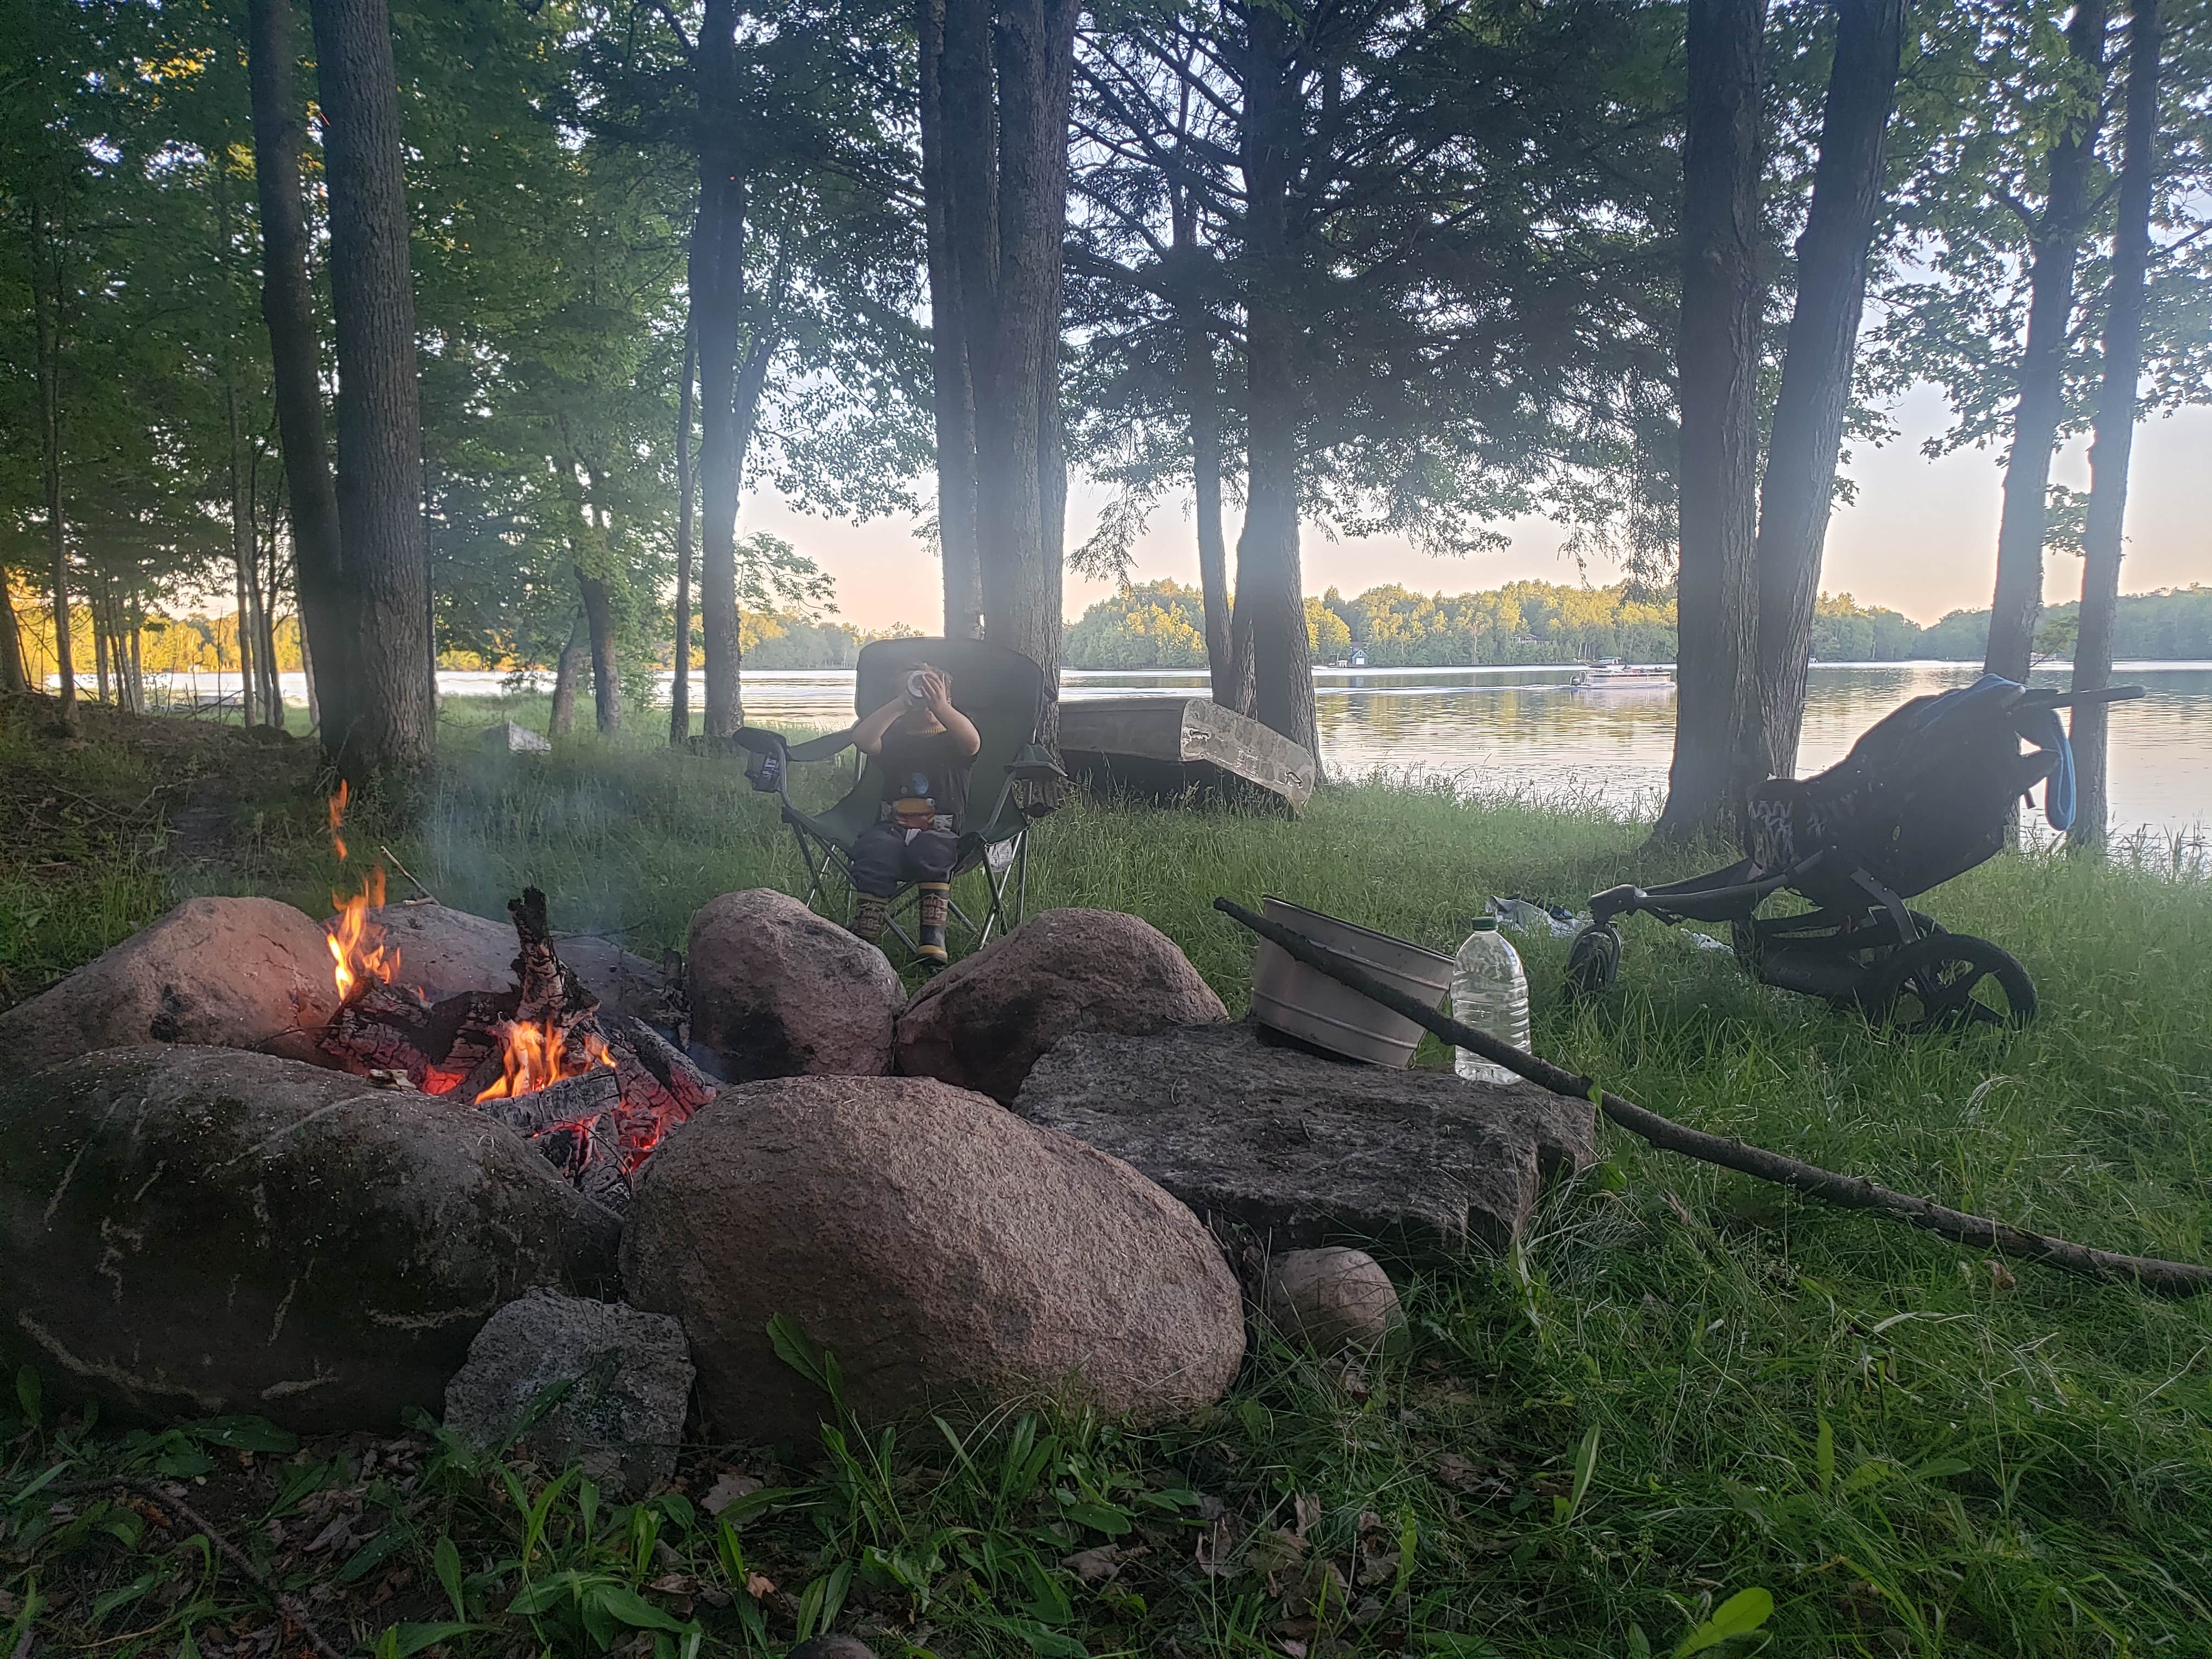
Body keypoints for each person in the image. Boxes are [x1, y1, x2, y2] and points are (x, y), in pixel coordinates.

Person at [846, 664, 980, 963]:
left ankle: (932, 936)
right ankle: (867, 934)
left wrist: (942, 708)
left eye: (935, 689)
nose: (924, 696)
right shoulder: (893, 740)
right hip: (890, 831)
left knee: (934, 850)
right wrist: (901, 703)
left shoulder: (954, 741)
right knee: (875, 849)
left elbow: (973, 742)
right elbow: (863, 739)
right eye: (914, 687)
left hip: (940, 832)